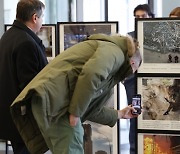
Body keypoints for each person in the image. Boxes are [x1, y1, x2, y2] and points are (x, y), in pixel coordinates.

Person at [10, 33, 141, 154]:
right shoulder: (115, 50)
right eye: (134, 70)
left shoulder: (110, 66)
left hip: (55, 101)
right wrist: (76, 112)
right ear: (133, 62)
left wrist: (120, 114)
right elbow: (92, 74)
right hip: (57, 102)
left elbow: (92, 110)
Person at [0, 0, 48, 153]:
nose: (42, 22)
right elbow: (30, 87)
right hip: (25, 122)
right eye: (42, 17)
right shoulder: (26, 43)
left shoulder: (8, 36)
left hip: (11, 118)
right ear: (35, 18)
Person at [124, 4, 154, 154]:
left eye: (143, 16)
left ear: (150, 17)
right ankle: (134, 150)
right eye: (137, 17)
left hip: (154, 81)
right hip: (133, 84)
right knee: (134, 116)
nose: (140, 19)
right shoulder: (130, 37)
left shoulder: (156, 37)